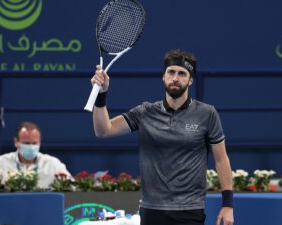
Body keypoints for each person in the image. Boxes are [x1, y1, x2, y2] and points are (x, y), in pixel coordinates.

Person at [91, 49, 234, 225]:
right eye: (171, 72)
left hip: (189, 210)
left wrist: (228, 205)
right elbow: (103, 130)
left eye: (182, 74)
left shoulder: (207, 113)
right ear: (163, 76)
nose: (175, 77)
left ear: (190, 80)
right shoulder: (145, 112)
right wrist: (101, 94)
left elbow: (221, 159)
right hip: (151, 210)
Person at [0, 121, 72, 190]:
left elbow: (73, 189)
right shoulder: (0, 163)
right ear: (16, 142)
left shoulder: (53, 164)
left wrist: (64, 183)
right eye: (26, 143)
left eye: (34, 143)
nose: (31, 147)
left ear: (40, 142)